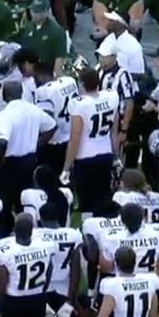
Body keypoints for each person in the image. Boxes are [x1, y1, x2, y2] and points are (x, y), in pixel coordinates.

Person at [0, 81, 56, 237]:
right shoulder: (33, 109)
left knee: (6, 203)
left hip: (11, 165)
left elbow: (2, 141)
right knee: (27, 201)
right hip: (30, 161)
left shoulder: (6, 114)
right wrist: (38, 143)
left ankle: (7, 234)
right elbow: (52, 126)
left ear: (4, 95)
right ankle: (28, 232)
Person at [64, 67, 120, 223]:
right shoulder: (111, 97)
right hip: (106, 153)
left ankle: (89, 236)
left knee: (87, 203)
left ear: (81, 84)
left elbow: (74, 138)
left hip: (85, 158)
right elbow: (114, 133)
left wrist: (67, 166)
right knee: (104, 198)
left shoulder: (79, 104)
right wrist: (117, 157)